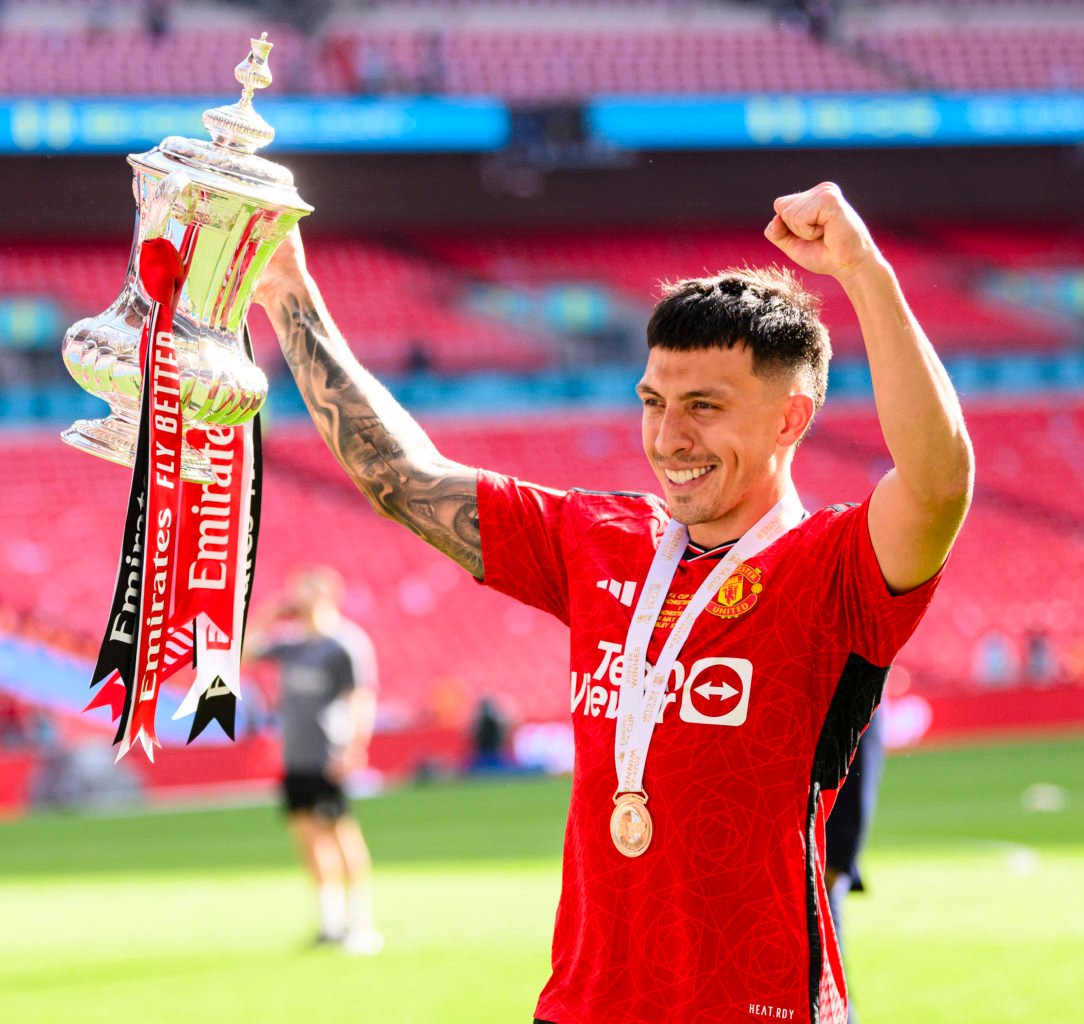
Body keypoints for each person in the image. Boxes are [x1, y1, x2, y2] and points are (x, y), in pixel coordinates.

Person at [254, 182, 973, 1023]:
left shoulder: (835, 568)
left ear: (791, 419)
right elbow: (403, 479)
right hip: (584, 1006)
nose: (669, 438)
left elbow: (938, 484)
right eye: (654, 403)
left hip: (758, 1004)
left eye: (704, 407)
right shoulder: (598, 537)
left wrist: (861, 269)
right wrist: (287, 293)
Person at [249, 567, 382, 954]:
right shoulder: (290, 644)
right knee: (309, 840)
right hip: (296, 756)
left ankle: (361, 922)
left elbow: (361, 697)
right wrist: (268, 616)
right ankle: (330, 922)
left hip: (329, 754)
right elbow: (241, 656)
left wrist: (355, 747)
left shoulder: (344, 644)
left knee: (342, 835)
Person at [824, 705, 887, 1024]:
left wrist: (838, 859)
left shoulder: (855, 668)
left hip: (820, 867)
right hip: (788, 860)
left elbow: (862, 766)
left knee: (825, 986)